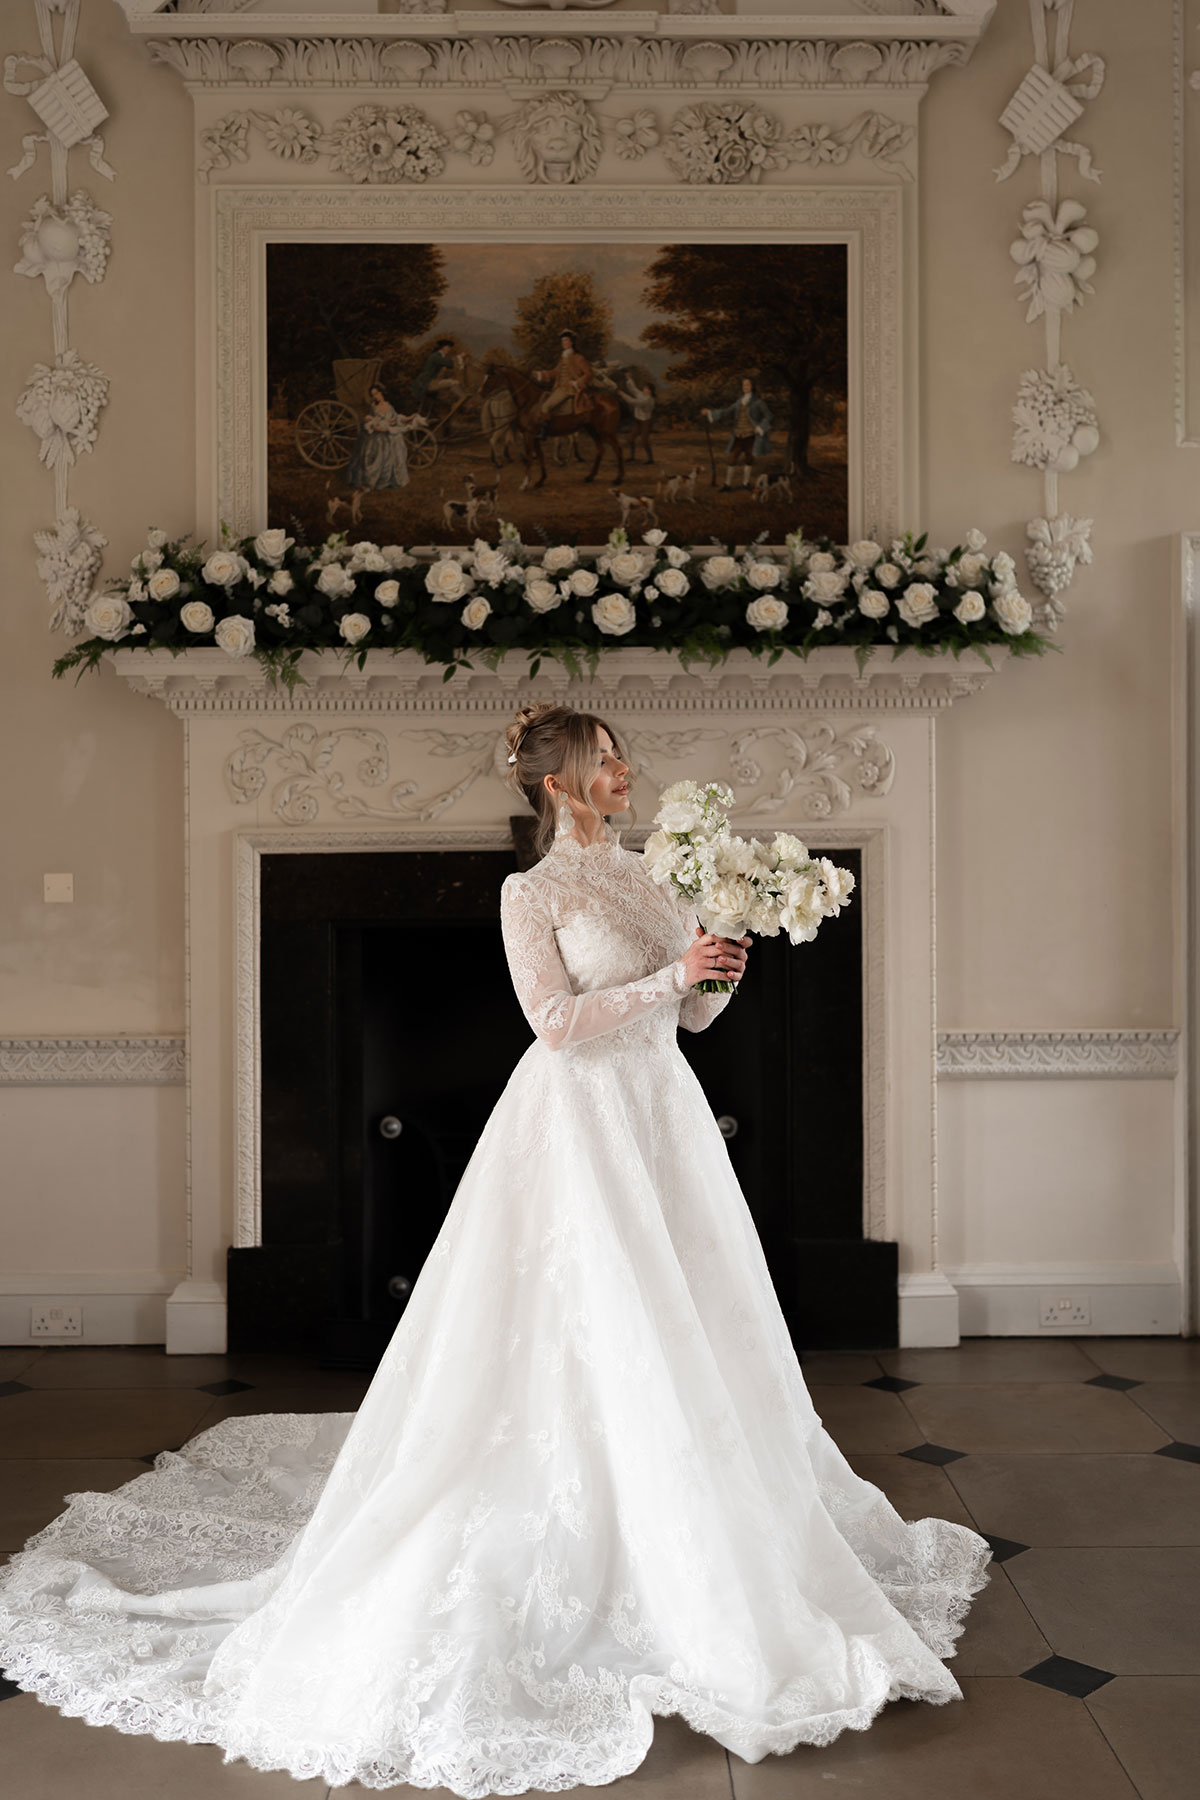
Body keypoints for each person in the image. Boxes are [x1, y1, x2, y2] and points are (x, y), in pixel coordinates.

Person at [0, 703, 991, 1795]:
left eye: (621, 757)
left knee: (687, 1317)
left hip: (663, 1115)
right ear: (560, 783)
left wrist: (714, 977)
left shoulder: (658, 871)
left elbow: (690, 1026)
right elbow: (553, 1023)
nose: (626, 771)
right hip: (579, 1130)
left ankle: (711, 1519)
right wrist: (670, 981)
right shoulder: (536, 890)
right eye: (606, 761)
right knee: (586, 1322)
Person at [344, 383, 421, 495]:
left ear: (382, 392)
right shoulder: (373, 407)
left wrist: (411, 417)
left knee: (395, 450)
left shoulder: (389, 406)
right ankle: (371, 482)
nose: (375, 396)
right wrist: (380, 426)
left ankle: (391, 480)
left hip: (389, 435)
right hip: (378, 436)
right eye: (373, 395)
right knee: (375, 458)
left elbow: (397, 418)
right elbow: (372, 423)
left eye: (377, 393)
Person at [703, 376, 773, 491]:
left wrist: (760, 427)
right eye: (744, 385)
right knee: (732, 459)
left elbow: (769, 416)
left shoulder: (758, 402)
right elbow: (726, 412)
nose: (745, 387)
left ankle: (745, 483)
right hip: (738, 435)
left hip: (751, 436)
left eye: (748, 385)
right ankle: (727, 485)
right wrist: (710, 412)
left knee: (749, 459)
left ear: (752, 386)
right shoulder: (738, 402)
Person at [532, 329, 593, 438]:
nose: (563, 343)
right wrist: (541, 374)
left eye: (566, 341)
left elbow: (589, 374)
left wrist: (577, 382)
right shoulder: (563, 357)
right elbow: (555, 372)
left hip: (569, 389)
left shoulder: (578, 358)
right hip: (560, 387)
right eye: (562, 341)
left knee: (545, 406)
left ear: (572, 342)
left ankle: (543, 433)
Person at [411, 337, 464, 413]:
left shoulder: (439, 356)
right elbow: (450, 363)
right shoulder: (436, 356)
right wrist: (459, 357)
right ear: (444, 347)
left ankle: (460, 399)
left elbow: (450, 366)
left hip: (432, 381)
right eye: (448, 347)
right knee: (453, 383)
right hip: (428, 382)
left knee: (453, 382)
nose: (449, 349)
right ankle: (462, 398)